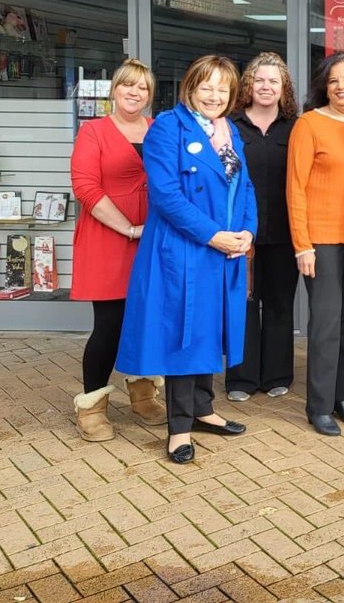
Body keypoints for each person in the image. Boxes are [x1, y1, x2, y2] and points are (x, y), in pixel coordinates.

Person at [116, 55, 256, 464]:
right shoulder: (167, 128)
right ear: (190, 88)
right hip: (183, 249)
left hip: (224, 249)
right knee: (185, 332)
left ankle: (202, 409)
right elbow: (167, 196)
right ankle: (179, 428)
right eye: (206, 87)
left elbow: (245, 187)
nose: (214, 96)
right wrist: (214, 235)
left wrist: (248, 231)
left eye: (223, 89)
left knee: (209, 329)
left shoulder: (229, 130)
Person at [69, 59, 166, 441]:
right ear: (114, 89)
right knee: (109, 325)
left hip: (153, 241)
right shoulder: (93, 131)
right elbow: (86, 188)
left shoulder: (158, 129)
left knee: (147, 319)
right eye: (128, 84)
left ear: (150, 94)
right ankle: (92, 406)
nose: (134, 92)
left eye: (143, 87)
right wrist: (128, 228)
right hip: (109, 237)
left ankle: (143, 395)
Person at [288, 52, 344, 436]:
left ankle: (341, 398)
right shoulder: (309, 124)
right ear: (324, 86)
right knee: (325, 322)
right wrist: (302, 245)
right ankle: (319, 405)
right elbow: (295, 187)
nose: (341, 86)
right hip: (319, 240)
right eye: (334, 80)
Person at [226, 53, 298, 403]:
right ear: (248, 85)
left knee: (280, 304)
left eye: (274, 81)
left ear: (284, 88)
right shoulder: (230, 126)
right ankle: (241, 377)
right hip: (242, 234)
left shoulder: (296, 128)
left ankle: (277, 375)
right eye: (259, 80)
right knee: (243, 302)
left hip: (285, 232)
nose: (266, 87)